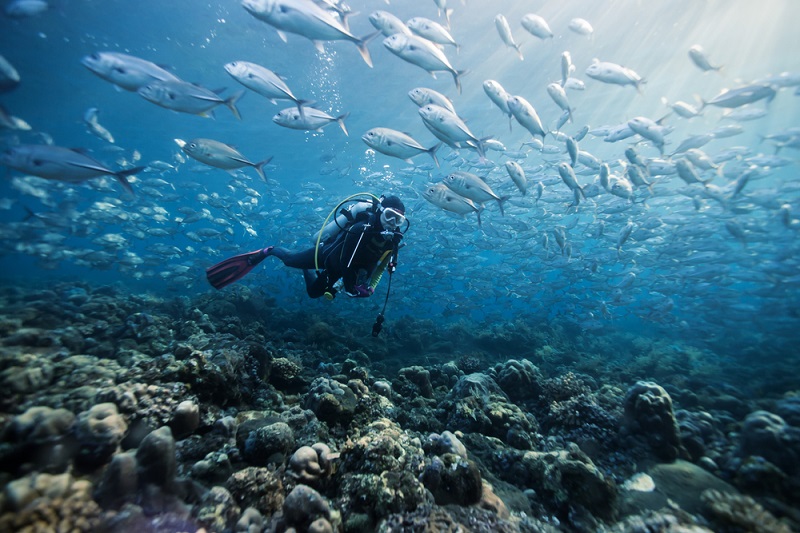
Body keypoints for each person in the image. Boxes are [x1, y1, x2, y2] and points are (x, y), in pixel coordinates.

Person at [267, 195, 406, 299]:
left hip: (340, 273)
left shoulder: (392, 242)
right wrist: (350, 288)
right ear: (381, 212)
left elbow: (381, 268)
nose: (392, 222)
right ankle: (269, 250)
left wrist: (371, 289)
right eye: (389, 216)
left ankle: (306, 268)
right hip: (327, 255)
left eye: (398, 219)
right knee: (289, 260)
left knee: (313, 293)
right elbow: (346, 260)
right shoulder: (361, 228)